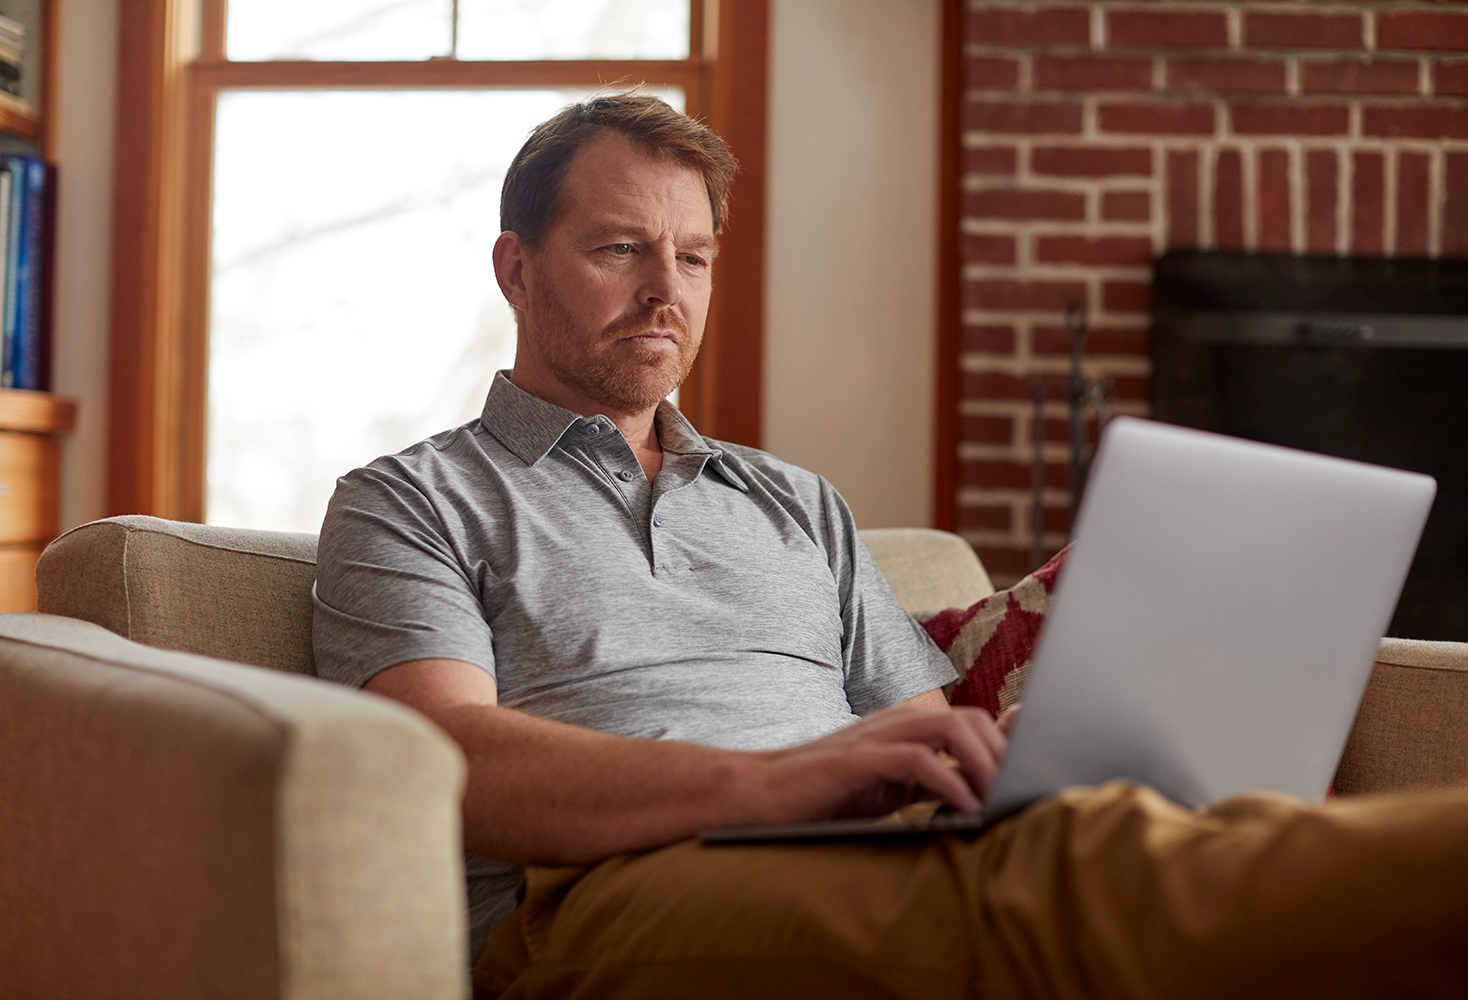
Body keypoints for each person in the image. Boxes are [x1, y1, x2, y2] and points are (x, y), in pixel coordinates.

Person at [313, 94, 1468, 999]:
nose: (668, 291)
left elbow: (918, 725)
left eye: (697, 257)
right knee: (1072, 877)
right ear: (517, 268)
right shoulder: (415, 499)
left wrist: (1016, 748)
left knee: (1113, 831)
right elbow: (445, 763)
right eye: (621, 248)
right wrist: (770, 783)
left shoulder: (795, 500)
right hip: (607, 892)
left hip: (869, 851)